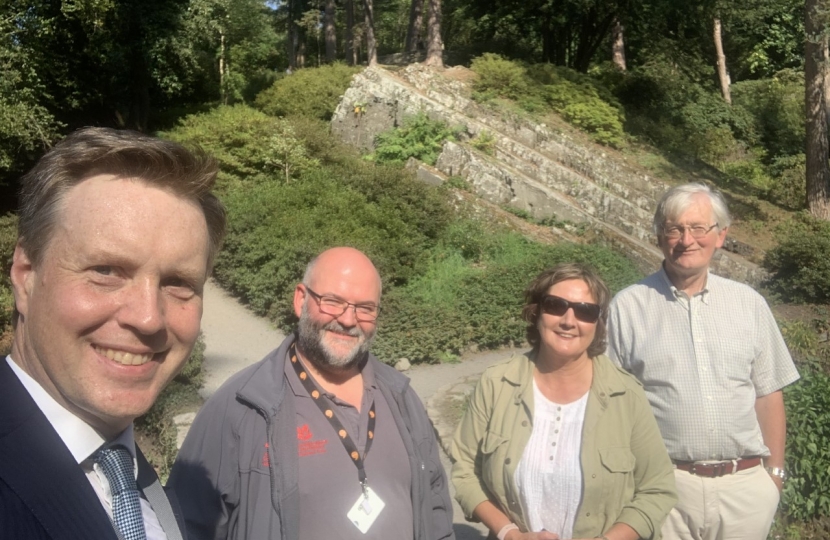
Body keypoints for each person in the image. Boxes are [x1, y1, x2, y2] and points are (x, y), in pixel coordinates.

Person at [0, 127, 227, 540]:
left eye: (178, 282)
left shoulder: (129, 471)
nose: (149, 319)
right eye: (106, 271)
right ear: (26, 277)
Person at [168, 247, 455, 540]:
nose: (348, 320)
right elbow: (184, 527)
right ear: (301, 299)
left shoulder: (401, 398)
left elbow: (435, 507)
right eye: (333, 302)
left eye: (365, 308)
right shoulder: (240, 408)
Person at [606, 183, 800, 540]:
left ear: (721, 235)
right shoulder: (628, 306)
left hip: (745, 491)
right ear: (659, 235)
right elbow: (610, 404)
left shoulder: (749, 304)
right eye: (674, 228)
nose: (686, 240)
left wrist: (773, 476)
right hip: (664, 488)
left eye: (698, 228)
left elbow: (768, 393)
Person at [451, 263, 676, 540]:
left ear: (598, 323)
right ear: (536, 312)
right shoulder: (496, 384)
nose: (569, 320)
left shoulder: (626, 395)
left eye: (585, 311)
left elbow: (657, 488)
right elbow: (464, 471)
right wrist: (509, 533)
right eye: (556, 305)